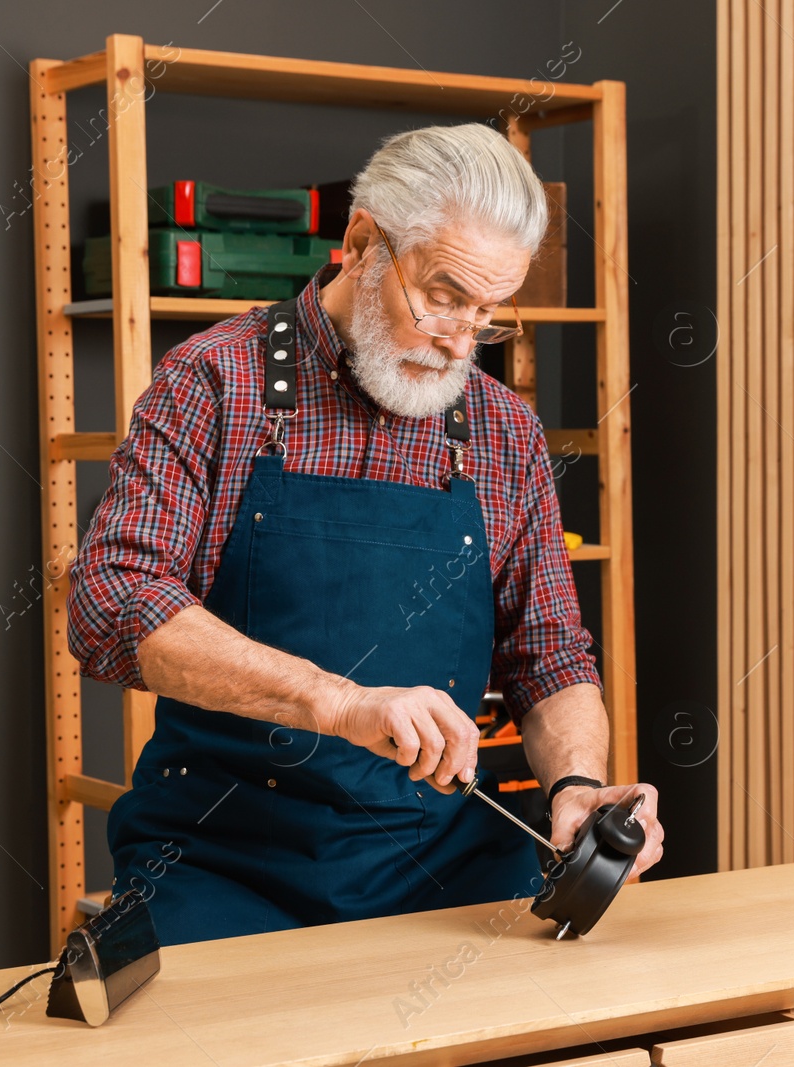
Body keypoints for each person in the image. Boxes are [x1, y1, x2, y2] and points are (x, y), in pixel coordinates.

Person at [66, 122, 664, 946]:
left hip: (442, 857)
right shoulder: (213, 382)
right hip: (222, 855)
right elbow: (113, 602)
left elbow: (551, 652)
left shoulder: (503, 434)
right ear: (361, 241)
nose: (461, 341)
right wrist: (339, 702)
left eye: (488, 313)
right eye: (444, 296)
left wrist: (578, 785)